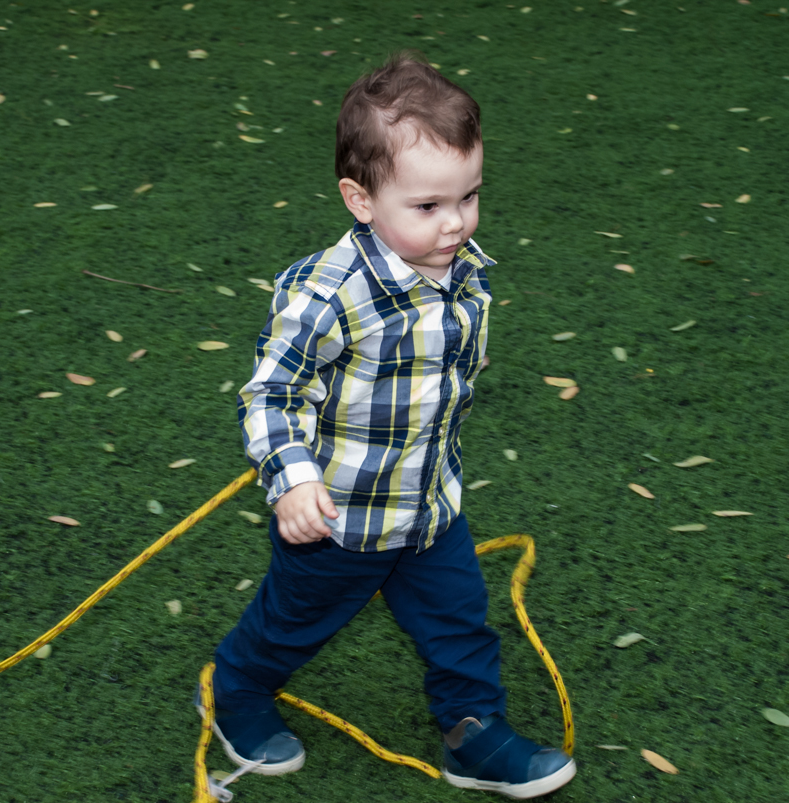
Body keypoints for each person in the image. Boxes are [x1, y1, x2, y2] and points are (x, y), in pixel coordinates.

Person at [204, 51, 576, 799]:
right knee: (292, 624)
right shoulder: (330, 294)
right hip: (337, 519)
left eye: (469, 196)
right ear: (361, 198)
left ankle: (473, 732)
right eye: (430, 206)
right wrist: (295, 480)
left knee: (460, 622)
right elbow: (271, 393)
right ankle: (235, 690)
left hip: (429, 507)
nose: (457, 222)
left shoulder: (462, 267)